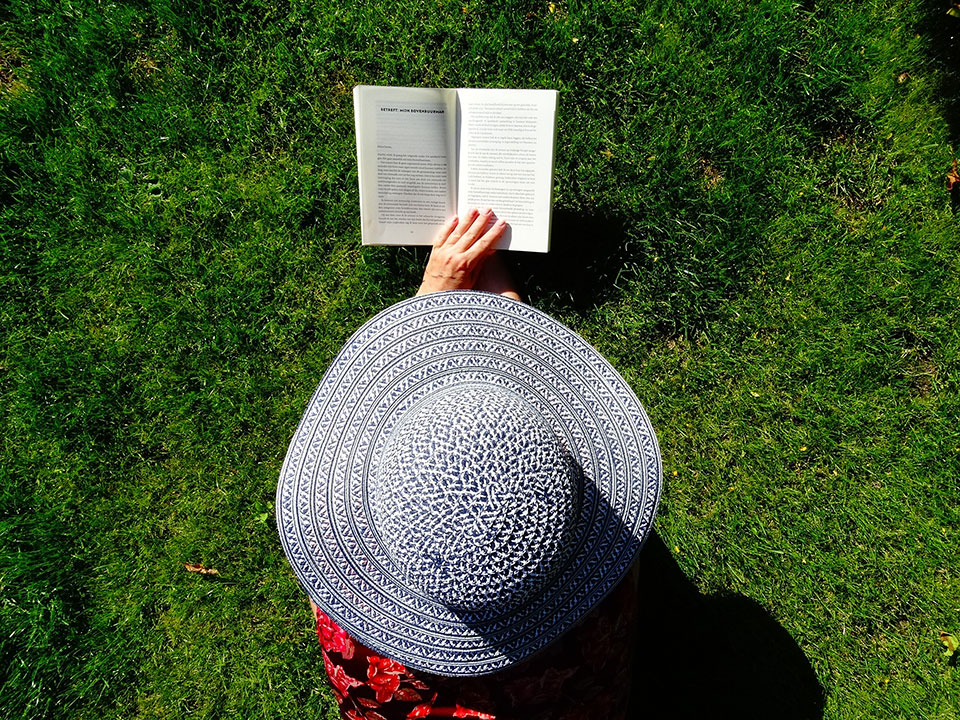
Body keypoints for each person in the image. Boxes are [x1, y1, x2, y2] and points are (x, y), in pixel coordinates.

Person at [278, 209, 662, 720]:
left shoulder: (359, 642)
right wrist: (499, 301)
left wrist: (436, 294)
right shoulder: (593, 618)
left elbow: (322, 585)